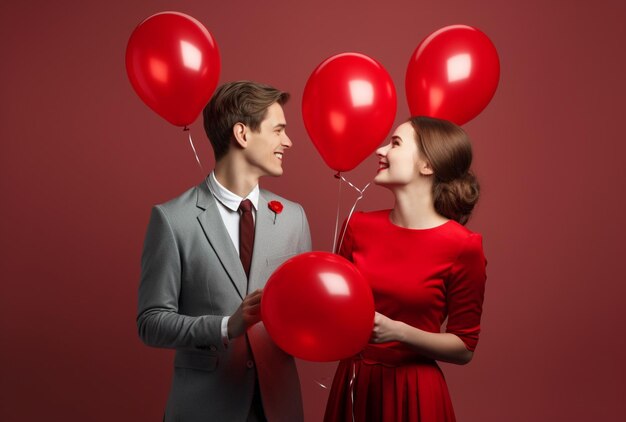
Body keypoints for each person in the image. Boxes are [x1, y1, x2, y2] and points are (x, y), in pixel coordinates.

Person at [137, 81, 311, 422]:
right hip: (204, 409)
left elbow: (301, 317)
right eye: (278, 130)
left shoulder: (293, 217)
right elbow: (150, 322)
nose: (288, 142)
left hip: (278, 409)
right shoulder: (173, 220)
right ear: (242, 134)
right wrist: (224, 327)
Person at [324, 116, 487, 422]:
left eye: (395, 143)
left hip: (414, 393)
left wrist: (398, 332)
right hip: (354, 385)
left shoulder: (464, 246)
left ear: (427, 166)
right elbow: (335, 312)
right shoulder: (357, 226)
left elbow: (464, 347)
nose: (380, 150)